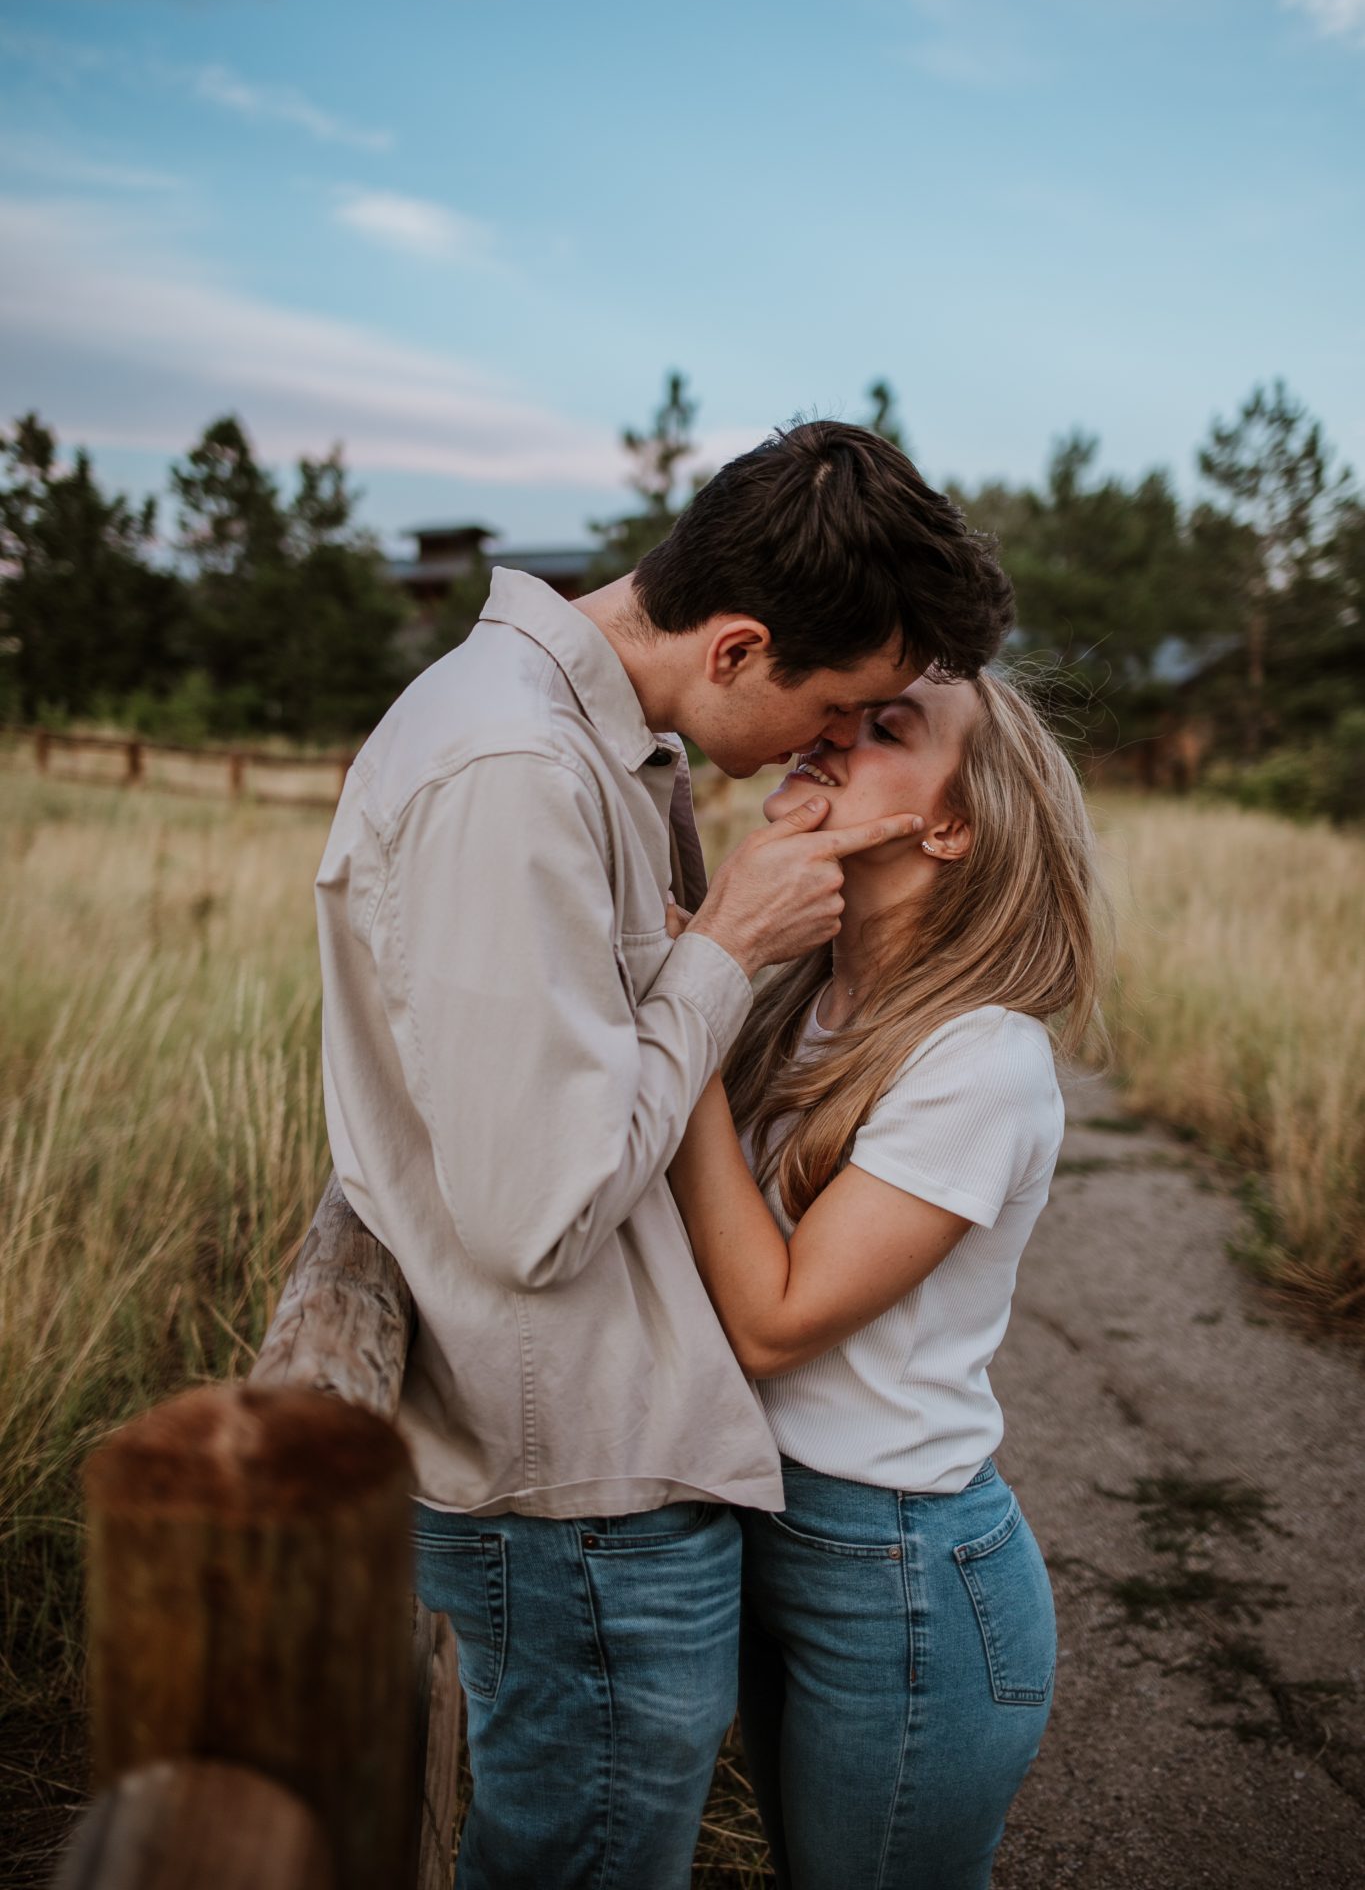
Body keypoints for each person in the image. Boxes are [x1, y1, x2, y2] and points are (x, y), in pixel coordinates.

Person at [315, 419, 1013, 1890]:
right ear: (741, 645)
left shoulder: (581, 747)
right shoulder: (513, 767)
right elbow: (536, 1212)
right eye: (841, 704)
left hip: (608, 1473)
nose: (829, 742)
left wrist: (713, 967)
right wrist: (717, 955)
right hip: (575, 1482)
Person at [666, 667, 1105, 1890]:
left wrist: (685, 1007)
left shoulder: (985, 1057)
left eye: (888, 727)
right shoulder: (799, 1000)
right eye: (839, 710)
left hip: (902, 1576)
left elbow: (773, 1317)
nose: (832, 730)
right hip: (773, 1527)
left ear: (949, 824)